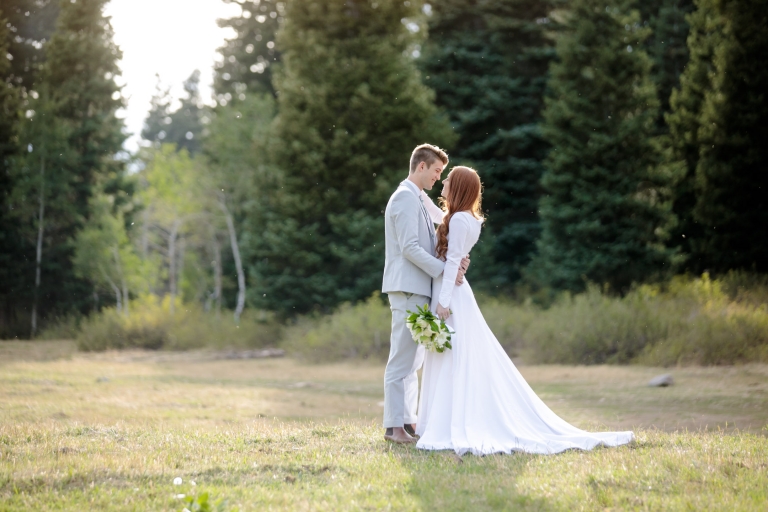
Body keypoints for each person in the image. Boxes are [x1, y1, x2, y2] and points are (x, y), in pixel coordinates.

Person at [415, 166, 635, 455]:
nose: (441, 183)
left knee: (451, 356)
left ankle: (446, 422)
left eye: (447, 180)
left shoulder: (456, 221)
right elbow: (438, 219)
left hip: (451, 295)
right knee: (455, 354)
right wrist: (417, 191)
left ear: (458, 187)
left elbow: (455, 260)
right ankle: (441, 418)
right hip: (457, 290)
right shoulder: (469, 219)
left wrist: (443, 302)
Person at [381, 144, 470, 444]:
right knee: (401, 360)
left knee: (413, 361)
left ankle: (407, 422)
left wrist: (455, 260)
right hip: (407, 288)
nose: (437, 178)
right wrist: (445, 270)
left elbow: (431, 239)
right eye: (436, 172)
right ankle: (393, 427)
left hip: (417, 288)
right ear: (421, 167)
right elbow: (409, 248)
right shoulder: (405, 198)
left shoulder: (416, 198)